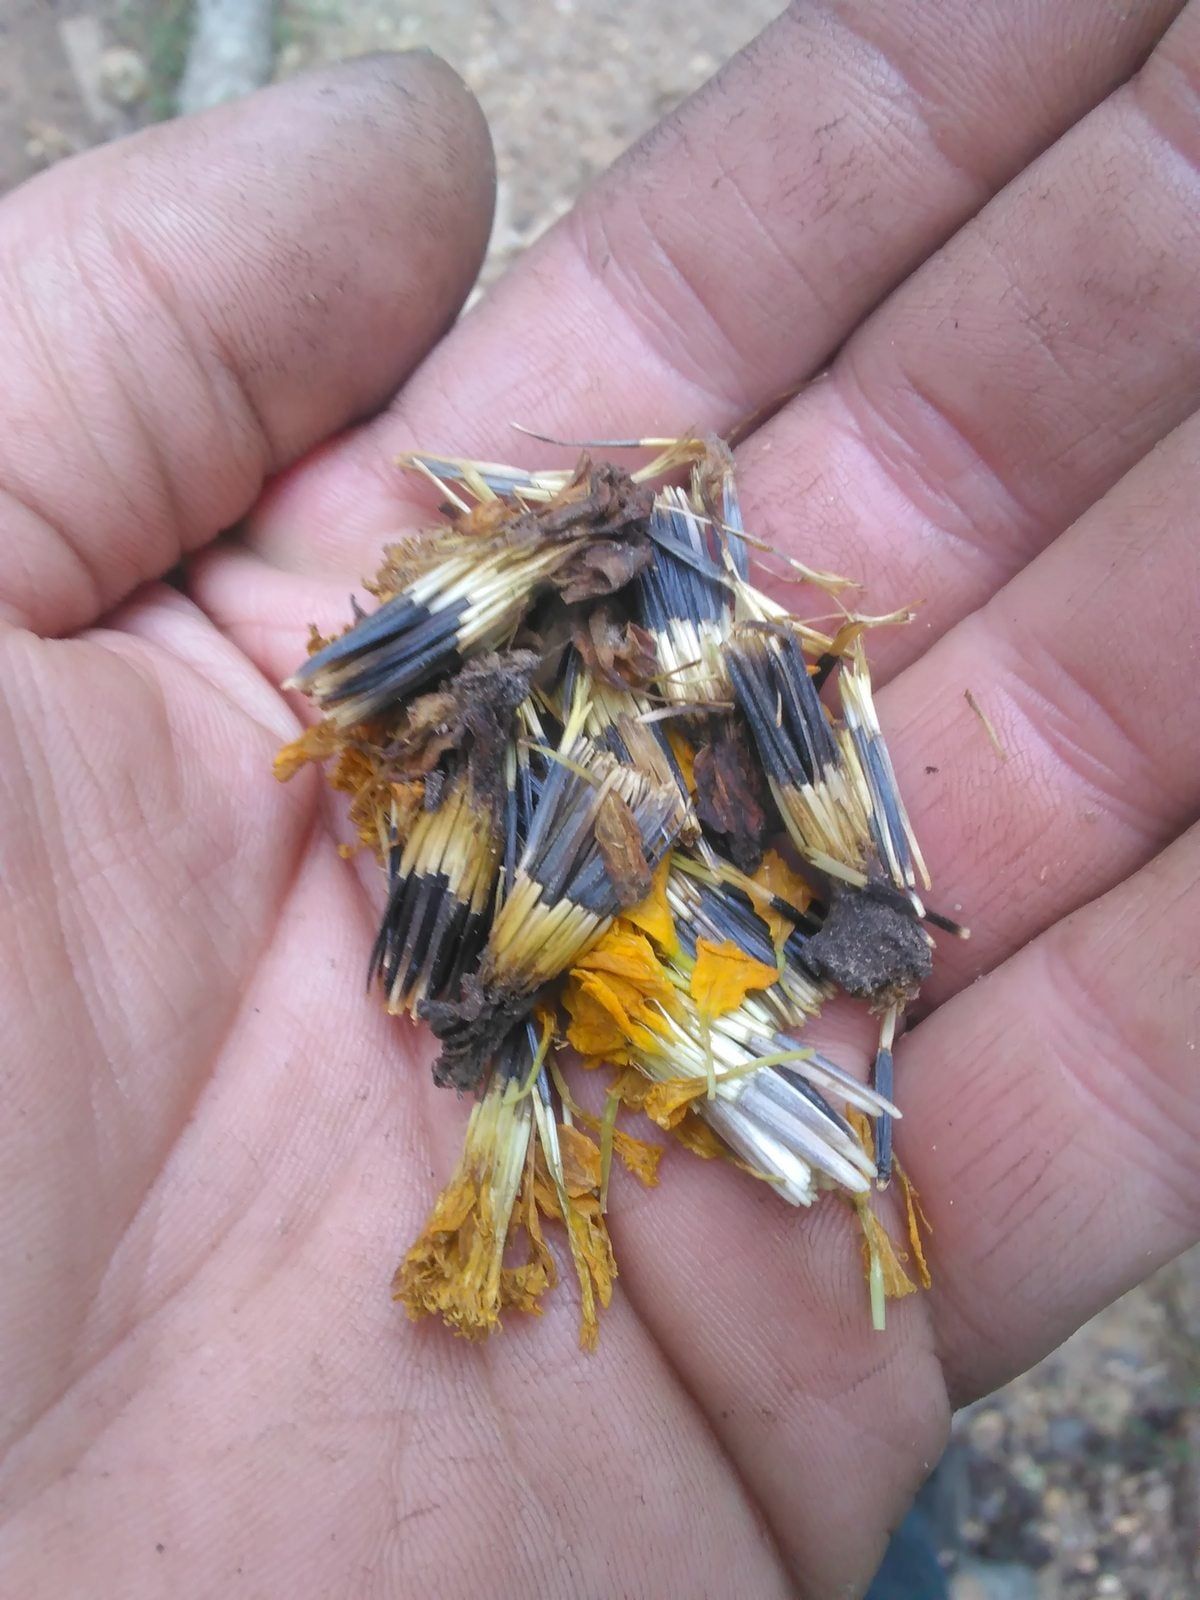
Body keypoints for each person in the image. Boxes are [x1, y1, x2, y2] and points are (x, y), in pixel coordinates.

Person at [0, 7, 1196, 1595]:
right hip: (700, 1317)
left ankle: (911, 1537)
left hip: (701, 1153)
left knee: (884, 1450)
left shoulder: (685, 771)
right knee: (891, 1481)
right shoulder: (557, 775)